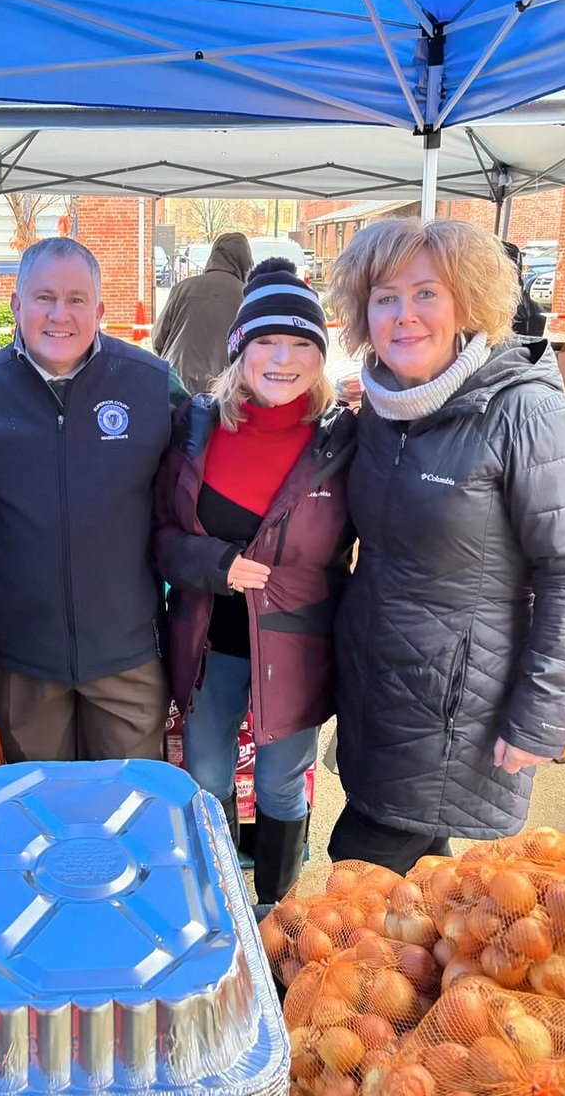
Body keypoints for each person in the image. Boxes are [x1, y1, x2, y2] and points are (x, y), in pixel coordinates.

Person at [328, 217, 565, 873]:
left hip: (457, 713)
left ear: (468, 303)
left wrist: (540, 717)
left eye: (426, 293)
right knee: (428, 899)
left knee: (352, 891)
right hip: (378, 694)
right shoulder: (388, 409)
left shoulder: (526, 413)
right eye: (385, 296)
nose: (404, 315)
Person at [153, 259, 355, 902]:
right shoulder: (195, 426)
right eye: (267, 340)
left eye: (302, 344)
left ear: (321, 357)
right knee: (205, 773)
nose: (283, 358)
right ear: (240, 349)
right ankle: (213, 904)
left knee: (280, 785)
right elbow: (159, 537)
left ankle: (277, 913)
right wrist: (215, 565)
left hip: (296, 647)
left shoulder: (343, 440)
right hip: (211, 643)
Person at [0, 237, 187, 765]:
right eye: (44, 297)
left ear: (100, 310)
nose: (61, 315)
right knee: (44, 819)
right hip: (21, 657)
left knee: (127, 814)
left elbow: (198, 491)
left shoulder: (152, 385)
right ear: (15, 305)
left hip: (128, 655)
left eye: (77, 299)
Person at [153, 232, 253, 394]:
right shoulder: (247, 297)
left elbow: (158, 338)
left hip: (176, 383)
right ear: (246, 262)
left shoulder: (183, 288)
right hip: (224, 390)